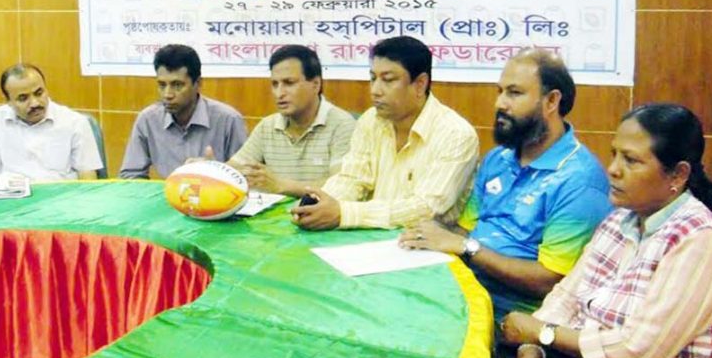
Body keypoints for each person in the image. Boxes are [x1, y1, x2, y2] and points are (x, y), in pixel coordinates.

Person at [495, 103, 712, 358]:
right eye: (614, 154)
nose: (614, 170)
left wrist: (541, 333)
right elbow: (567, 298)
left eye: (631, 160)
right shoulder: (620, 220)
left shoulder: (703, 242)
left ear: (678, 175)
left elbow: (638, 349)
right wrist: (532, 351)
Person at [399, 48, 612, 324]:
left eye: (514, 93)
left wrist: (467, 247)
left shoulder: (579, 179)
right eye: (499, 91)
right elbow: (467, 229)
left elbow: (551, 282)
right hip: (462, 290)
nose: (500, 103)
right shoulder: (498, 159)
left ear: (551, 101)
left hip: (514, 317)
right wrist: (428, 236)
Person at [291, 35, 478, 230]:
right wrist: (320, 204)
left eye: (388, 80)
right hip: (369, 237)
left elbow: (426, 209)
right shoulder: (370, 121)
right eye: (373, 78)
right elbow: (353, 179)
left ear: (420, 84)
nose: (375, 90)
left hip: (427, 247)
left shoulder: (456, 135)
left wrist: (344, 213)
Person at [227, 45, 356, 196]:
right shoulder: (267, 126)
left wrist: (281, 185)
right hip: (272, 218)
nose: (279, 93)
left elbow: (343, 187)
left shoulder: (342, 125)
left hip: (320, 217)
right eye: (275, 84)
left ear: (316, 84)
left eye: (289, 83)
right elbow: (236, 168)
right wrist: (211, 170)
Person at [119, 44, 247, 179]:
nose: (167, 94)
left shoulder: (228, 120)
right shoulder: (148, 120)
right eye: (162, 85)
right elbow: (131, 175)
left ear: (197, 83)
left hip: (216, 197)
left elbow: (245, 177)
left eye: (177, 85)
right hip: (167, 197)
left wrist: (216, 172)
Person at [0, 63, 102, 181]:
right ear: (8, 101)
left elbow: (88, 178)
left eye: (39, 93)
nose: (34, 103)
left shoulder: (75, 122)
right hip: (11, 200)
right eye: (23, 98)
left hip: (60, 199)